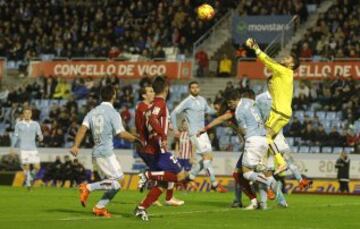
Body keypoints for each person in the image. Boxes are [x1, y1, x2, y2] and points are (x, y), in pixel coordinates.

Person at [70, 85, 140, 218]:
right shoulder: (113, 113)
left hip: (97, 152)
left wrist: (76, 145)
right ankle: (88, 188)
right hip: (105, 153)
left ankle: (99, 208)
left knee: (117, 184)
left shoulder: (92, 112)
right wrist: (137, 140)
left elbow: (83, 129)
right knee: (119, 182)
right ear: (114, 95)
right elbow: (121, 134)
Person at [245, 38, 300, 175]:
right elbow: (273, 66)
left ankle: (281, 163)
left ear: (291, 65)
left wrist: (256, 49)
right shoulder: (284, 74)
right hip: (285, 113)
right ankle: (277, 166)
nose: (284, 58)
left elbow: (268, 61)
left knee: (265, 136)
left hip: (278, 112)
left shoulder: (285, 71)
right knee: (269, 139)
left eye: (288, 58)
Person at [135, 76, 186, 221]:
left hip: (154, 147)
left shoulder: (150, 106)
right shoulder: (160, 103)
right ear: (166, 89)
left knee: (164, 183)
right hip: (160, 147)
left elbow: (147, 122)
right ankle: (147, 175)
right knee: (180, 175)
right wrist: (162, 135)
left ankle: (141, 208)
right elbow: (152, 119)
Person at [225, 89, 278, 209]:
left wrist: (233, 126)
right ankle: (261, 198)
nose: (229, 106)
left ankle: (270, 183)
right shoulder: (249, 101)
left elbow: (244, 131)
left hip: (253, 140)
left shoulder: (239, 112)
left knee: (247, 173)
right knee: (254, 168)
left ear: (235, 100)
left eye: (230, 103)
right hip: (264, 138)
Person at [170, 81, 227, 192]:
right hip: (195, 134)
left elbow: (209, 111)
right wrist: (176, 130)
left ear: (199, 88)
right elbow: (173, 113)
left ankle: (189, 178)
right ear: (189, 89)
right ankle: (214, 184)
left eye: (197, 87)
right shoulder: (187, 102)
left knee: (207, 158)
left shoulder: (202, 100)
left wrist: (218, 111)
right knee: (206, 158)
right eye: (192, 87)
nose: (195, 89)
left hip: (203, 133)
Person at [256, 91, 312, 189]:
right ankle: (300, 180)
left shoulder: (262, 111)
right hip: (276, 140)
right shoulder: (275, 108)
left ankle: (271, 190)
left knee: (270, 168)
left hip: (272, 140)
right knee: (287, 163)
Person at [11, 107, 43, 190]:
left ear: (31, 114)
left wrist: (40, 138)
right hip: (23, 148)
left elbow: (40, 134)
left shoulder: (36, 124)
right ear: (23, 114)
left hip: (33, 148)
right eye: (26, 113)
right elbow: (15, 136)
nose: (27, 114)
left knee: (37, 167)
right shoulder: (19, 124)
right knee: (27, 167)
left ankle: (29, 179)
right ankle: (28, 184)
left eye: (29, 113)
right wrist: (12, 147)